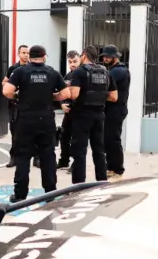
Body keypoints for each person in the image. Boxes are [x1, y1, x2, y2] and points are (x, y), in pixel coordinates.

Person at [2, 45, 69, 202]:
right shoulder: (52, 72)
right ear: (44, 57)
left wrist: (18, 95)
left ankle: (20, 195)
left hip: (25, 120)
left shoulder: (21, 71)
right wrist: (51, 96)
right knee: (48, 156)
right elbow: (66, 93)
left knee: (23, 157)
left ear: (30, 57)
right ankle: (50, 193)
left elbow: (7, 91)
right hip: (46, 120)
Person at [64, 45, 115, 185]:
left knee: (80, 152)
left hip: (82, 116)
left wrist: (68, 89)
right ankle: (102, 182)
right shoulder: (105, 72)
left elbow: (74, 95)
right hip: (99, 116)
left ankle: (79, 185)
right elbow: (114, 97)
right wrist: (99, 96)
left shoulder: (79, 72)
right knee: (99, 151)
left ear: (84, 56)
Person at [100, 45, 130, 180]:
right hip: (111, 110)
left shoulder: (118, 71)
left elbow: (104, 87)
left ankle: (118, 170)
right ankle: (111, 168)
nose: (105, 59)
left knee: (114, 140)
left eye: (108, 56)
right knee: (108, 140)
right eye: (104, 56)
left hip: (116, 110)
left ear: (115, 57)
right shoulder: (113, 70)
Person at [1, 44, 29, 167]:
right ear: (18, 54)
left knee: (32, 131)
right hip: (15, 104)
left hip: (28, 104)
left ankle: (36, 158)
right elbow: (4, 82)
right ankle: (14, 157)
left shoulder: (32, 68)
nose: (26, 55)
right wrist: (12, 87)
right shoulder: (13, 68)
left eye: (28, 53)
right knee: (15, 131)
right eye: (24, 53)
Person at [56, 50, 80, 171]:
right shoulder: (67, 76)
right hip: (68, 112)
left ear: (80, 60)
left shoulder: (82, 74)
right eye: (70, 62)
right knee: (64, 136)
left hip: (79, 112)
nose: (72, 64)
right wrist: (62, 105)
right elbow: (62, 93)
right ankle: (64, 160)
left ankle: (76, 163)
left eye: (75, 61)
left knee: (77, 139)